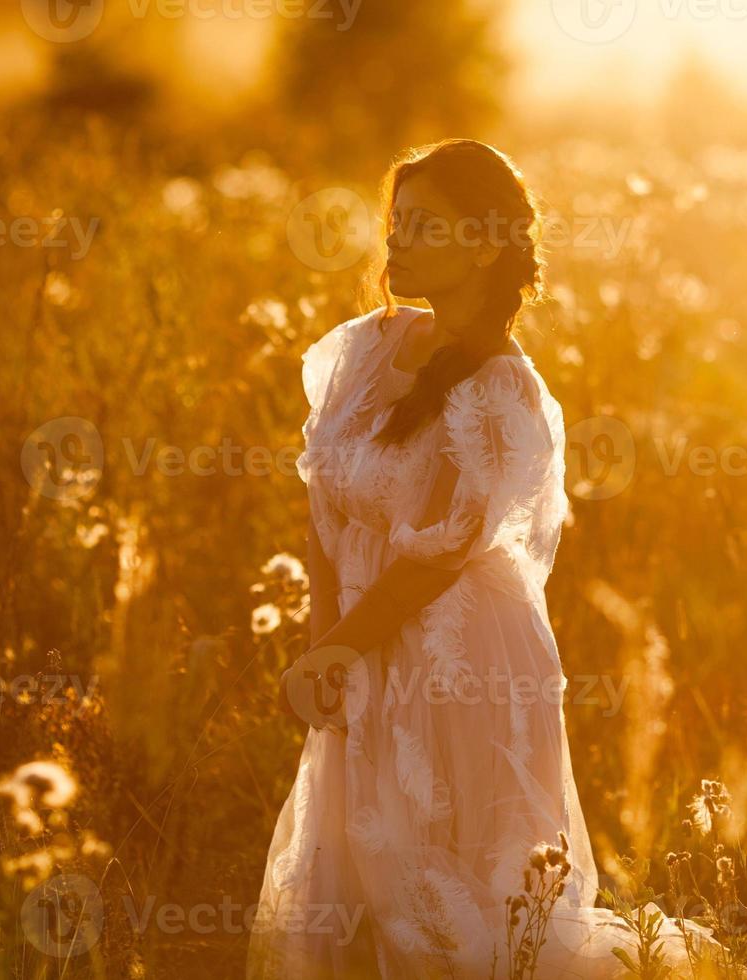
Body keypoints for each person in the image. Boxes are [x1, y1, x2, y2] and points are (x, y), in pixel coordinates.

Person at [250, 139, 718, 979]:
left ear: (484, 243)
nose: (396, 241)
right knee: (359, 870)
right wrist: (325, 644)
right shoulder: (363, 350)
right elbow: (322, 502)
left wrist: (340, 647)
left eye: (425, 225)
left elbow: (438, 555)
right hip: (361, 633)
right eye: (396, 222)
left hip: (461, 659)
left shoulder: (504, 389)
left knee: (456, 892)